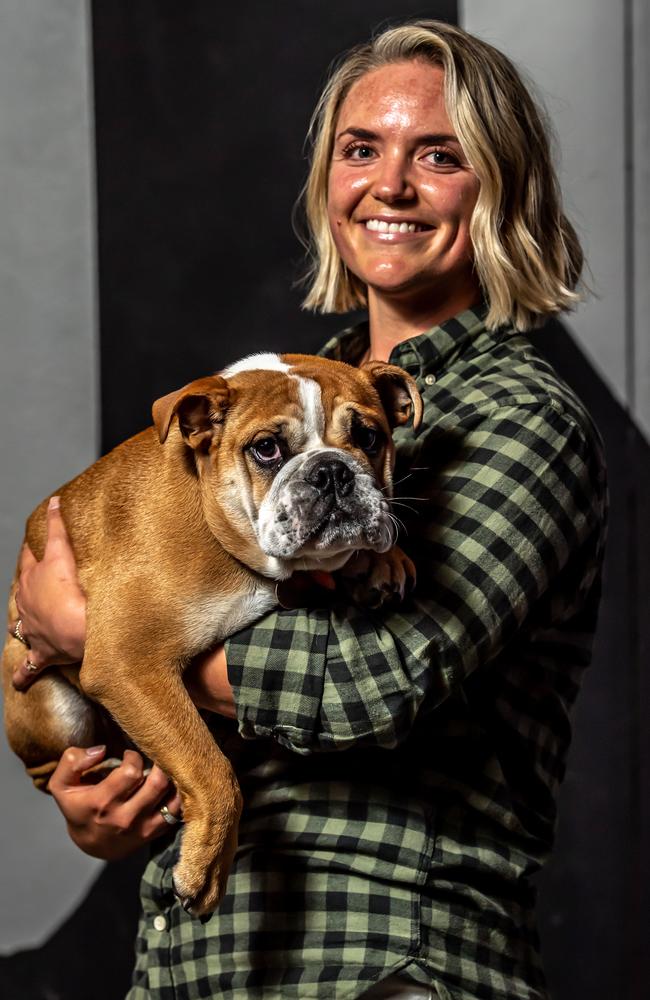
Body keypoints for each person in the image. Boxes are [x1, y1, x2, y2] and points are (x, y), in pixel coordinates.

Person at [9, 19, 607, 1000]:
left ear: (501, 185)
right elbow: (199, 691)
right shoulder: (285, 398)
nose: (390, 186)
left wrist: (94, 634)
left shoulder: (518, 417)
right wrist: (110, 789)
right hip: (208, 966)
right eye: (359, 149)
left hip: (390, 963)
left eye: (439, 156)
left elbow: (381, 678)